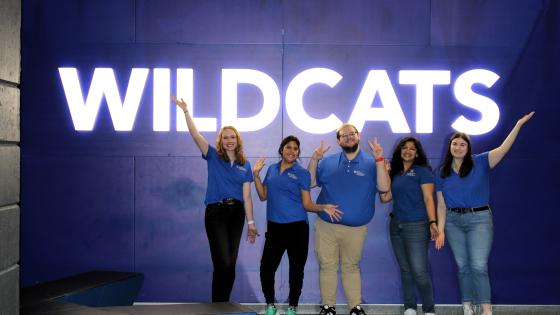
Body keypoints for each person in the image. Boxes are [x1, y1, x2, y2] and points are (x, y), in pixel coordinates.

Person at [435, 112, 535, 315]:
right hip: (453, 222)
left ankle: (486, 309)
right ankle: (467, 305)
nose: (458, 147)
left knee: (479, 266)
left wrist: (518, 124)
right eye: (455, 144)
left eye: (463, 144)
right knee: (463, 266)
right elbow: (441, 205)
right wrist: (441, 229)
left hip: (479, 219)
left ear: (468, 148)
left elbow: (503, 149)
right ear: (450, 147)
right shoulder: (442, 172)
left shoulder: (481, 162)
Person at [173, 96, 259, 302]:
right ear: (221, 141)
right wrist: (186, 111)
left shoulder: (245, 165)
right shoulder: (212, 156)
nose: (229, 140)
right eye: (226, 137)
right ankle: (217, 305)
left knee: (230, 263)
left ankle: (223, 304)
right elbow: (196, 135)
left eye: (233, 137)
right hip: (216, 213)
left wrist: (251, 223)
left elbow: (247, 197)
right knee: (222, 262)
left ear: (238, 140)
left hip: (237, 213)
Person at [253, 135, 343, 315]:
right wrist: (255, 175)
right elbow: (263, 195)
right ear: (281, 150)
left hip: (297, 229)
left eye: (295, 148)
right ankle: (270, 305)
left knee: (296, 270)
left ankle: (292, 307)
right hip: (275, 228)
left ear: (298, 153)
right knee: (266, 268)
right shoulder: (271, 169)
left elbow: (307, 204)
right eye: (288, 147)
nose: (292, 151)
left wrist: (322, 207)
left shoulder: (302, 173)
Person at [308, 123, 391, 315]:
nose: (348, 137)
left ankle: (355, 307)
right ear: (338, 140)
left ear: (358, 135)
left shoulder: (372, 162)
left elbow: (385, 188)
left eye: (351, 134)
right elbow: (311, 183)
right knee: (327, 266)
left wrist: (379, 159)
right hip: (327, 226)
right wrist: (314, 160)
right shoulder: (327, 162)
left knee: (351, 267)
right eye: (343, 136)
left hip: (356, 228)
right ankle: (328, 307)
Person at [379, 137, 438, 315]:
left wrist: (432, 222)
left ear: (417, 153)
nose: (408, 151)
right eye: (404, 148)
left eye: (412, 149)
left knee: (419, 271)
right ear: (400, 151)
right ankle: (410, 307)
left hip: (417, 226)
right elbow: (384, 198)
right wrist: (385, 172)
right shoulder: (396, 173)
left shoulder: (423, 172)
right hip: (396, 225)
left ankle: (429, 310)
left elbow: (429, 199)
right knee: (405, 270)